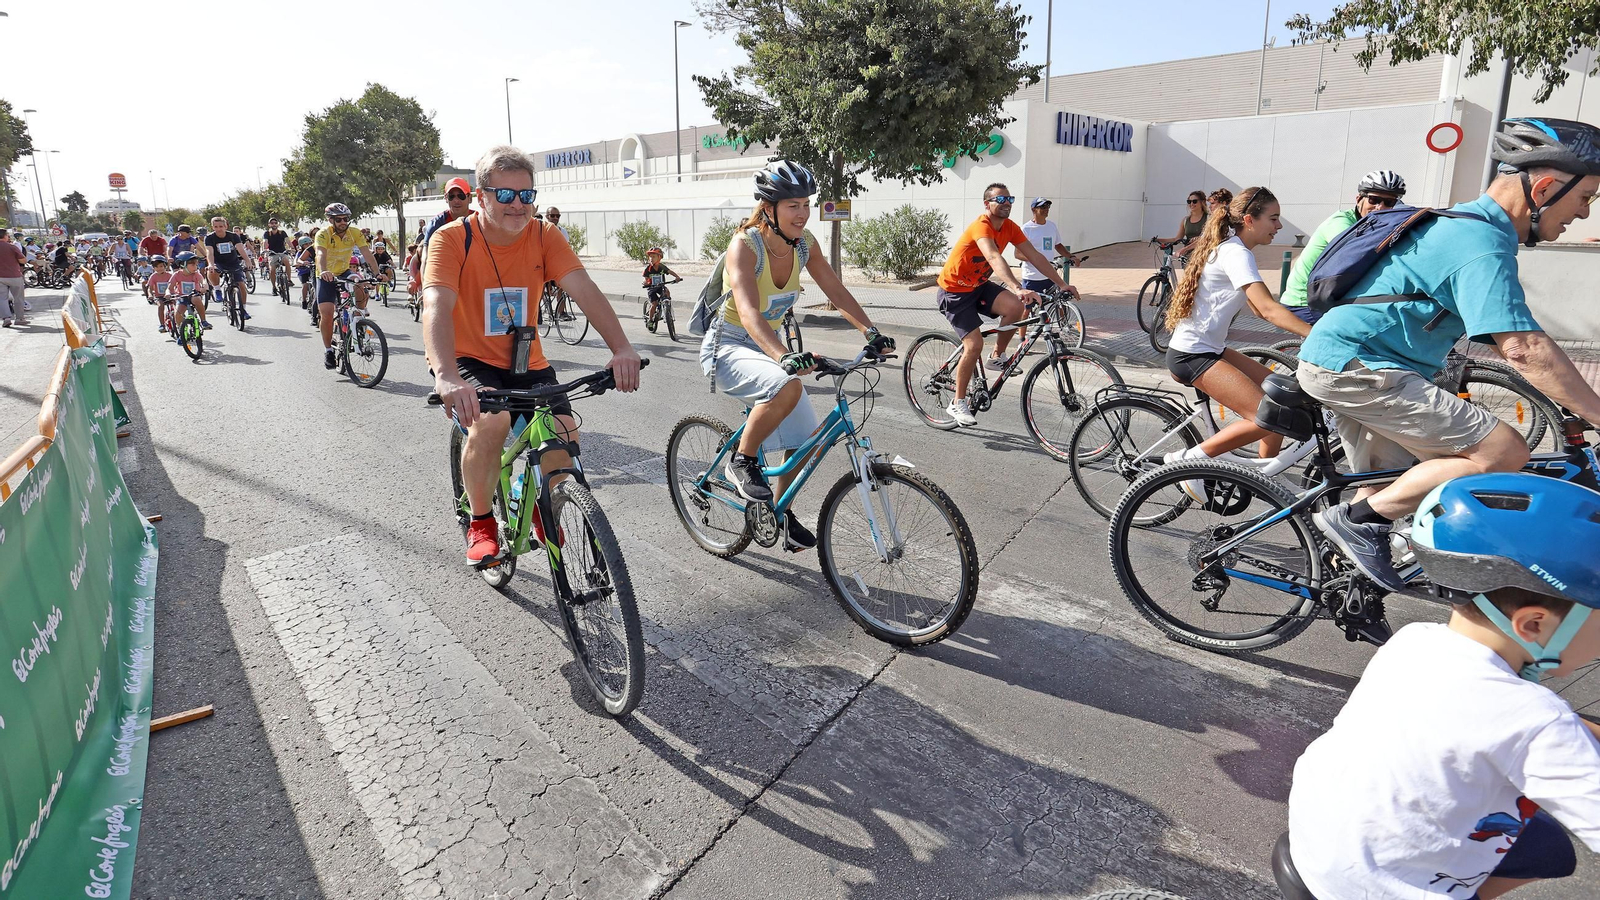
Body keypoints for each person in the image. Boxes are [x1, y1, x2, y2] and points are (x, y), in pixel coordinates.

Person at [1296, 117, 1600, 592]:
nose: (1584, 214)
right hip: (1359, 368)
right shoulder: (1481, 243)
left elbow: (1518, 338)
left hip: (1347, 362)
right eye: (1586, 198)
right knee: (1503, 451)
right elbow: (1523, 349)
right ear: (1543, 189)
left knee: (1391, 488)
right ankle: (1354, 519)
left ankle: (1353, 594)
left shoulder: (1465, 224)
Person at [1288, 472, 1600, 900]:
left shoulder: (1417, 640)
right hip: (1379, 889)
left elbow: (1493, 723)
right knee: (1543, 844)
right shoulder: (1537, 722)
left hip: (1320, 842)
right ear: (1533, 624)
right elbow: (1531, 731)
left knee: (1543, 845)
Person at [423, 146, 642, 565]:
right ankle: (482, 522)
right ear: (481, 197)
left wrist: (622, 348)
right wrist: (446, 374)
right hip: (469, 360)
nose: (518, 205)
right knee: (491, 422)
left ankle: (541, 503)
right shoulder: (452, 240)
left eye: (526, 194)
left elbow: (585, 290)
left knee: (562, 432)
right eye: (504, 195)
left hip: (528, 362)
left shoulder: (544, 235)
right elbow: (435, 305)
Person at [701, 159, 893, 551]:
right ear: (769, 208)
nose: (803, 213)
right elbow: (750, 311)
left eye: (806, 203)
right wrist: (784, 356)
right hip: (729, 345)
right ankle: (741, 461)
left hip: (767, 346)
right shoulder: (746, 244)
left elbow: (836, 291)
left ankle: (778, 512)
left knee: (805, 439)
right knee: (787, 386)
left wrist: (870, 332)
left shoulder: (805, 245)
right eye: (793, 205)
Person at [1160, 186, 1312, 493]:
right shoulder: (1236, 252)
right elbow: (1267, 309)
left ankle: (1266, 478)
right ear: (1249, 220)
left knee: (1282, 399)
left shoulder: (1234, 248)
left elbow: (1259, 308)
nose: (1279, 226)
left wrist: (1309, 324)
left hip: (1210, 349)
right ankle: (1189, 462)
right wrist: (1320, 336)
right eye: (1274, 218)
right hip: (1193, 355)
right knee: (1263, 417)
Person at [935, 182, 1075, 427]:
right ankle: (957, 402)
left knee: (1015, 309)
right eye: (1000, 199)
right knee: (974, 344)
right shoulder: (982, 225)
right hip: (954, 292)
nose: (1006, 203)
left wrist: (1062, 284)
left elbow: (1035, 256)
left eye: (1009, 199)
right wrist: (1018, 287)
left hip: (977, 286)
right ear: (987, 204)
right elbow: (993, 257)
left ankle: (996, 355)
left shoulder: (1010, 228)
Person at [1280, 170, 1408, 324]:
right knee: (1353, 334)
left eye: (1389, 202)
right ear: (1358, 199)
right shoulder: (1341, 223)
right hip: (1305, 301)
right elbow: (1358, 253)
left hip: (1330, 296)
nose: (1380, 207)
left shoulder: (1374, 226)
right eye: (1374, 200)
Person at [997, 197, 1085, 370]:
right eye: (1042, 207)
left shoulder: (1051, 226)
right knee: (1026, 309)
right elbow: (1018, 254)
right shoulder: (1026, 228)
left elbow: (1058, 246)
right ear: (1034, 210)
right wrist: (1036, 259)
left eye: (1048, 206)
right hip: (1032, 277)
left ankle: (1061, 331)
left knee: (1058, 302)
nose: (1046, 209)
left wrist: (1070, 256)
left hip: (1049, 274)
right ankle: (1022, 340)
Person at [315, 202, 387, 369]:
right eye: (338, 219)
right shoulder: (323, 234)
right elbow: (320, 254)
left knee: (361, 287)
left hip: (344, 270)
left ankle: (357, 319)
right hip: (326, 275)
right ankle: (328, 351)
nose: (342, 222)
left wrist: (377, 274)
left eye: (345, 219)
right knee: (326, 313)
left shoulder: (354, 232)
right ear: (330, 220)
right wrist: (324, 270)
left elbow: (367, 254)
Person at [410, 176, 473, 295]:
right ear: (446, 198)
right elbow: (426, 258)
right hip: (444, 272)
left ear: (469, 198)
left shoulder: (479, 221)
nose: (456, 200)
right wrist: (426, 291)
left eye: (461, 195)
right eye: (451, 196)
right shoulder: (436, 223)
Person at [203, 216, 251, 321]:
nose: (218, 229)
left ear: (226, 226)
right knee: (212, 270)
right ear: (213, 227)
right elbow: (209, 252)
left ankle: (243, 309)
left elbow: (241, 250)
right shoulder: (209, 238)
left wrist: (248, 261)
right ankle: (217, 289)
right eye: (216, 226)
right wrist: (211, 264)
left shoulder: (233, 236)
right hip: (218, 262)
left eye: (221, 226)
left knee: (241, 285)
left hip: (233, 262)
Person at [167, 252, 211, 329]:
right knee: (178, 314)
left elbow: (203, 281)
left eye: (196, 265)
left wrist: (204, 287)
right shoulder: (176, 275)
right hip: (182, 297)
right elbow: (169, 288)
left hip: (194, 295)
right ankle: (181, 331)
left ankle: (204, 321)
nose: (196, 267)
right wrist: (167, 293)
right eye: (193, 265)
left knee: (197, 299)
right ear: (183, 265)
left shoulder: (196, 274)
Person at [0, 229, 28, 328]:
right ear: (5, 236)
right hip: (14, 275)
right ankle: (19, 318)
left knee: (2, 298)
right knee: (18, 297)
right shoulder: (11, 247)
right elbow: (23, 260)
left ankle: (6, 318)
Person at [641, 247, 678, 321]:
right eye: (650, 257)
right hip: (652, 288)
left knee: (667, 292)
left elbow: (670, 271)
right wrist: (646, 282)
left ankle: (667, 308)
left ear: (659, 257)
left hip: (661, 286)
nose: (651, 258)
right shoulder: (648, 269)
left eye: (653, 257)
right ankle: (650, 320)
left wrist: (677, 277)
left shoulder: (662, 267)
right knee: (654, 304)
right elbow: (646, 279)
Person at [262, 217, 291, 290]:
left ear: (278, 224)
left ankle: (289, 280)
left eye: (275, 223)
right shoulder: (267, 233)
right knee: (272, 270)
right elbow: (265, 242)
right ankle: (274, 287)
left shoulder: (282, 232)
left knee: (287, 261)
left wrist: (292, 248)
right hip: (272, 254)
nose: (274, 224)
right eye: (272, 223)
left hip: (282, 252)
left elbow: (288, 241)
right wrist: (265, 250)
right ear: (269, 225)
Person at [293, 235, 315, 307]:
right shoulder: (299, 253)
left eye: (310, 243)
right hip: (303, 272)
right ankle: (304, 300)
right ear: (301, 246)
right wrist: (302, 263)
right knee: (305, 284)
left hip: (313, 271)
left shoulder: (314, 251)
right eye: (306, 244)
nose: (308, 245)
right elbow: (296, 262)